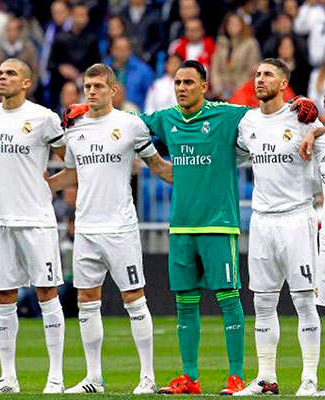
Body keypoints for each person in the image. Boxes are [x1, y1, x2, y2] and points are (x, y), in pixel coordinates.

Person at [65, 59, 319, 395]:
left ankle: (237, 376)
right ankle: (190, 377)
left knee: (231, 299)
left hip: (220, 224)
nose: (182, 88)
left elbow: (274, 117)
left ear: (204, 85)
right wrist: (88, 107)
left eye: (188, 82)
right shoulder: (165, 118)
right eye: (178, 82)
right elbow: (126, 123)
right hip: (181, 226)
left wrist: (306, 112)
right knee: (186, 302)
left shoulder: (231, 115)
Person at [47, 63, 172, 394]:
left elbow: (157, 166)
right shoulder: (74, 130)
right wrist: (45, 186)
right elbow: (74, 173)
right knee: (87, 300)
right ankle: (93, 377)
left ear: (113, 90)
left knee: (134, 298)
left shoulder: (130, 125)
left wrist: (192, 177)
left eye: (98, 86)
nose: (91, 91)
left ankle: (147, 377)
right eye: (87, 86)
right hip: (86, 227)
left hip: (120, 227)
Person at [0, 58, 67, 394]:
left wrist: (54, 183)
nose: (2, 77)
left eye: (10, 74)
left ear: (26, 83)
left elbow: (72, 159)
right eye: (0, 73)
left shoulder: (44, 118)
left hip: (35, 218)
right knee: (3, 296)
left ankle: (56, 376)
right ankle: (8, 377)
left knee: (46, 292)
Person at [233, 58, 322, 396]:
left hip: (296, 218)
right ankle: (266, 377)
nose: (259, 79)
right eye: (256, 74)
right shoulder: (248, 122)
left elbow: (322, 132)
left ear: (284, 83)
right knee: (263, 304)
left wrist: (317, 129)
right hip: (262, 221)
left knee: (303, 302)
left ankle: (309, 378)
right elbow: (238, 153)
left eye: (268, 74)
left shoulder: (301, 117)